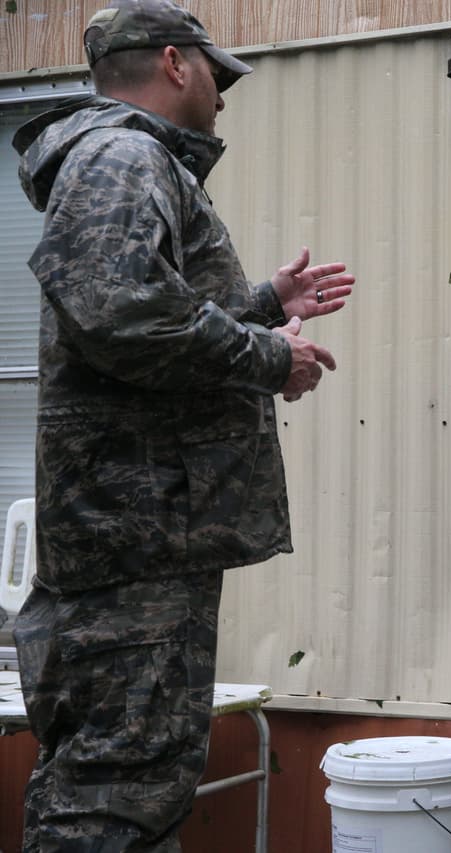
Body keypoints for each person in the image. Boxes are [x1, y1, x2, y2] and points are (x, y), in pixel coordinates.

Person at [10, 1, 354, 849]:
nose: (223, 97)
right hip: (132, 547)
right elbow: (118, 310)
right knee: (113, 793)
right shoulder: (124, 154)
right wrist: (271, 356)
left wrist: (260, 307)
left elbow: (138, 335)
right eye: (215, 74)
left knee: (133, 782)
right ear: (173, 63)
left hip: (142, 540)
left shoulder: (123, 161)